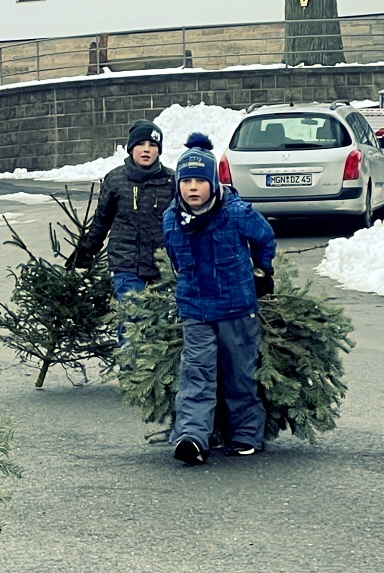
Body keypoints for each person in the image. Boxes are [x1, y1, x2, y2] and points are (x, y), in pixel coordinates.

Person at [160, 132, 277, 466]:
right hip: (196, 309)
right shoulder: (172, 220)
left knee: (239, 372)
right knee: (195, 374)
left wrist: (262, 271)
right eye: (186, 181)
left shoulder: (236, 213)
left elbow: (265, 237)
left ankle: (245, 434)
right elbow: (175, 258)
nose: (192, 187)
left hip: (237, 308)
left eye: (200, 180)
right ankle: (192, 437)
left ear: (213, 182)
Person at [67, 118, 176, 306]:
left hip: (162, 265)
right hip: (126, 263)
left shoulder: (171, 181)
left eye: (152, 144)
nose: (146, 149)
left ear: (159, 149)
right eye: (140, 144)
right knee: (131, 317)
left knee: (160, 323)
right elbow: (102, 220)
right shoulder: (116, 179)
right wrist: (86, 250)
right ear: (131, 148)